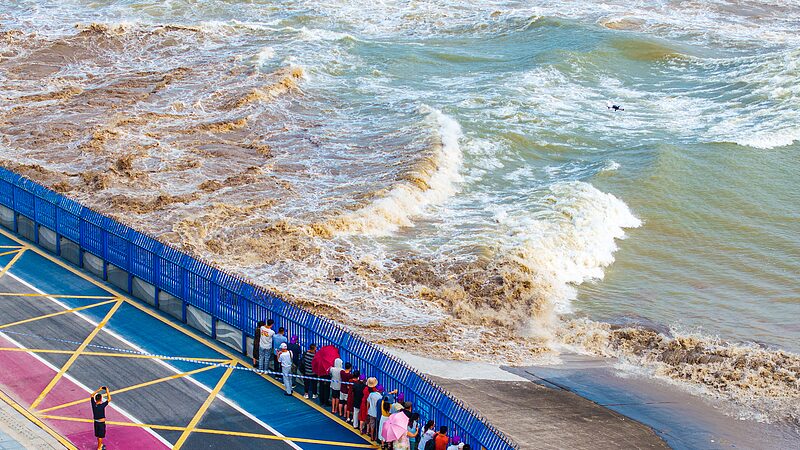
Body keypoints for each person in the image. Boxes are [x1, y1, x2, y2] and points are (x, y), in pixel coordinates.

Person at [90, 386, 110, 450]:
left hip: (96, 422)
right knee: (100, 436)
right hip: (101, 423)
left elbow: (92, 395)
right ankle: (99, 448)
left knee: (98, 435)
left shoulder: (93, 404)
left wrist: (99, 389)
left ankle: (100, 445)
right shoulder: (102, 406)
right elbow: (109, 399)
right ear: (101, 399)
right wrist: (107, 390)